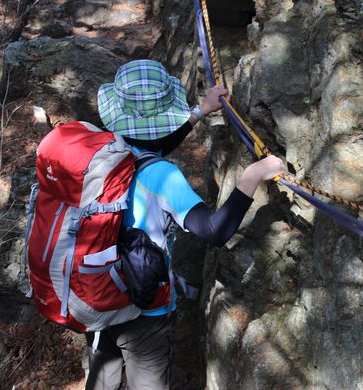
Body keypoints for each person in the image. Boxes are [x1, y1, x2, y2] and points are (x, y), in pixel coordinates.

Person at [85, 59, 285, 389]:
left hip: (101, 295)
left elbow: (151, 146)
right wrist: (253, 175)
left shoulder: (104, 151)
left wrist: (199, 112)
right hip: (145, 313)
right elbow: (214, 230)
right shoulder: (163, 177)